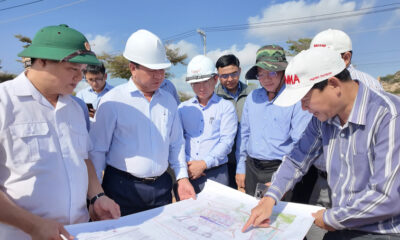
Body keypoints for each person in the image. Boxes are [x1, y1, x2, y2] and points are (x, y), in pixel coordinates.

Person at [243, 47, 400, 240]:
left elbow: (387, 197)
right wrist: (271, 196)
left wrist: (331, 218)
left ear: (333, 84)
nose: (303, 108)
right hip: (341, 225)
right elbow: (296, 159)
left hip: (381, 231)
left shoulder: (389, 116)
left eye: (306, 99)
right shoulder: (322, 119)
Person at [0, 24, 120, 240]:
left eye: (82, 71)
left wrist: (97, 196)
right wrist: (32, 225)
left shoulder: (75, 107)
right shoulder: (4, 102)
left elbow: (83, 158)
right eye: (72, 69)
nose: (79, 78)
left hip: (79, 232)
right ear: (42, 60)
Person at [89, 29, 195, 216]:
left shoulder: (169, 101)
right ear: (132, 68)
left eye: (161, 69)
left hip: (161, 188)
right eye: (152, 70)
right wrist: (96, 196)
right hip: (121, 190)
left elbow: (176, 143)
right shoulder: (113, 101)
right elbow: (97, 150)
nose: (159, 75)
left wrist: (182, 178)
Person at [236, 45, 311, 196]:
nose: (266, 79)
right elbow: (244, 134)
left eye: (272, 72)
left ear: (284, 72)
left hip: (280, 168)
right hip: (251, 168)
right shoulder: (253, 98)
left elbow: (300, 143)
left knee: (278, 216)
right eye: (261, 75)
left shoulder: (296, 98)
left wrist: (285, 177)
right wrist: (240, 168)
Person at [178, 55, 237, 193]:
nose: (201, 87)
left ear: (215, 79)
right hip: (187, 172)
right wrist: (188, 165)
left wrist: (203, 164)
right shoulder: (182, 108)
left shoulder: (226, 107)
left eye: (205, 81)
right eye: (195, 83)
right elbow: (177, 140)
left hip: (216, 174)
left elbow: (226, 142)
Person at [215, 54, 256, 189]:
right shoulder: (213, 97)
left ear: (240, 70)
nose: (230, 79)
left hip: (249, 160)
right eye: (224, 76)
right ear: (218, 75)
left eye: (234, 74)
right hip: (223, 162)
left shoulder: (254, 93)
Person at [310, 28, 383, 91]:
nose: (317, 62)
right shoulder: (306, 85)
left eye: (323, 57)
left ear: (345, 58)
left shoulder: (369, 86)